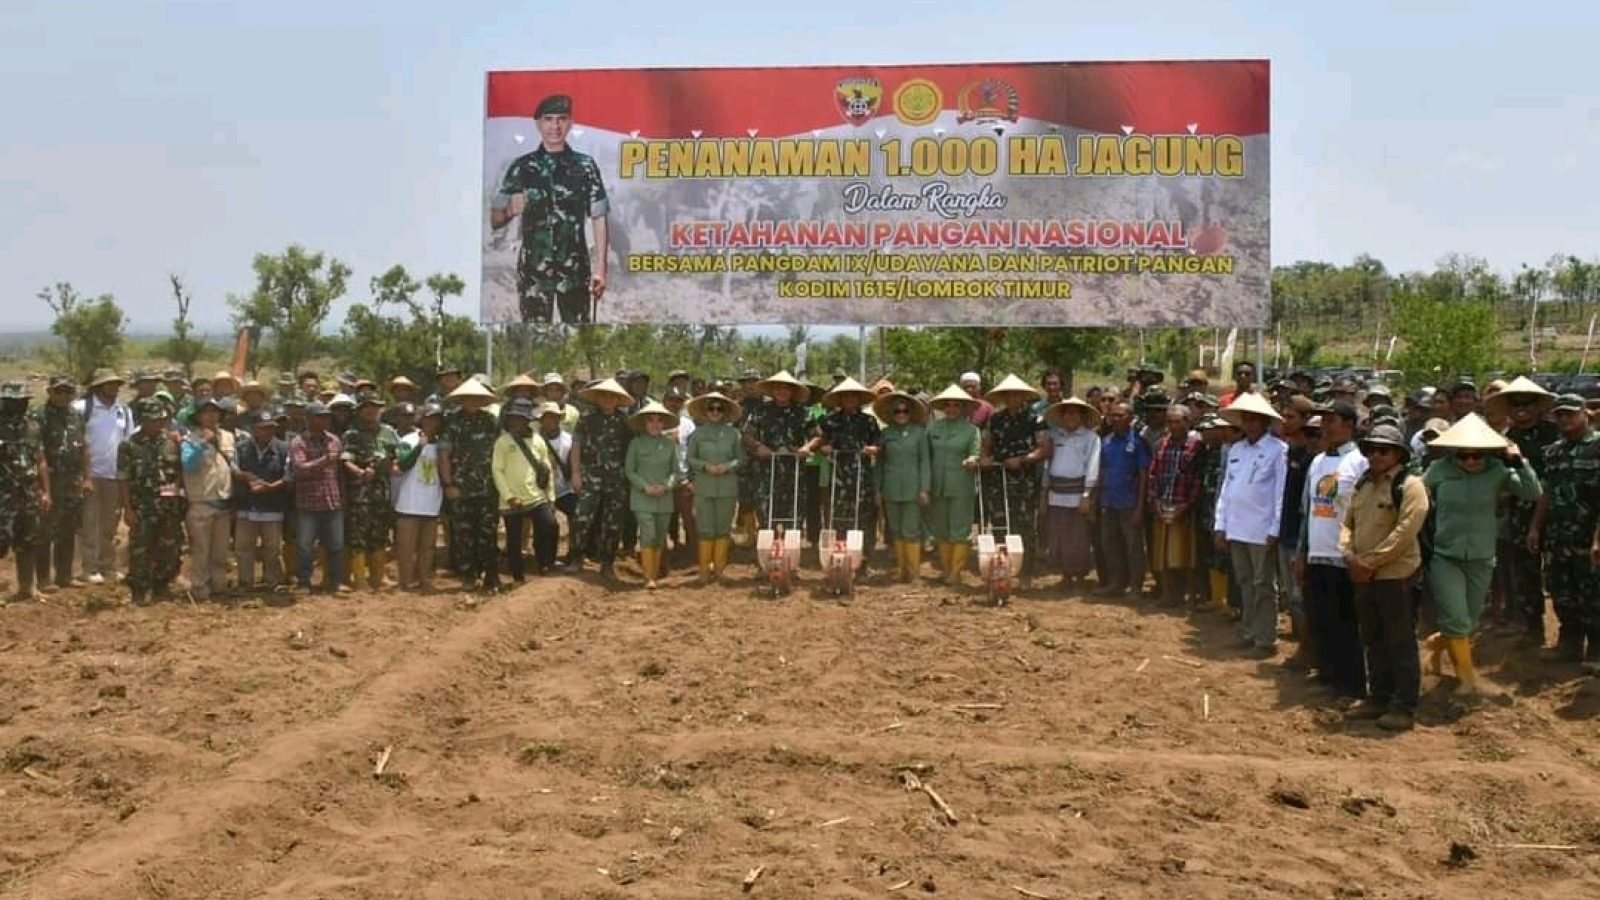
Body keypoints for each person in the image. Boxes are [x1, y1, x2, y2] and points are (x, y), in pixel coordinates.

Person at [1421, 414, 1541, 694]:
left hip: (1482, 556)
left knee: (1469, 623)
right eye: (1464, 456)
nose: (1471, 461)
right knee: (1457, 620)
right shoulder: (1439, 469)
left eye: (1477, 456)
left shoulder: (1499, 471)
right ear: (1454, 453)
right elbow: (1417, 496)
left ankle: (1434, 647)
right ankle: (1468, 679)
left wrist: (1518, 462)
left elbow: (1533, 493)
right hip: (1444, 555)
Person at [490, 93, 611, 325]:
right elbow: (494, 219)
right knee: (534, 344)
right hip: (533, 274)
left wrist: (601, 270)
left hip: (574, 273)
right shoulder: (521, 168)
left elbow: (599, 217)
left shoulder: (585, 167)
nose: (555, 126)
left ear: (570, 123)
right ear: (538, 123)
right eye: (548, 119)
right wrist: (509, 212)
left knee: (579, 342)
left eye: (561, 119)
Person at [1341, 424, 1431, 731]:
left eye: (1384, 450)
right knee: (1373, 638)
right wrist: (1350, 556)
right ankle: (1377, 697)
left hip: (1396, 576)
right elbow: (1347, 524)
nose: (1376, 455)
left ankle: (1403, 706)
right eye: (1372, 450)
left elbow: (1405, 532)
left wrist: (1371, 562)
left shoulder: (1411, 485)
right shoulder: (1363, 484)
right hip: (1364, 576)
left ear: (1398, 454)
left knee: (1401, 641)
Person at [1295, 402, 1369, 701]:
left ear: (1349, 424)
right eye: (1323, 419)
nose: (1325, 425)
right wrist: (1302, 553)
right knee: (1321, 619)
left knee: (1346, 624)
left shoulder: (1360, 461)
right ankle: (1328, 676)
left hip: (1345, 556)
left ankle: (1351, 686)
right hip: (1317, 553)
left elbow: (1364, 513)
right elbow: (1308, 511)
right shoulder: (1317, 462)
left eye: (1332, 420)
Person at [1213, 393, 1289, 658]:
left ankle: (1265, 638)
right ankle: (1248, 631)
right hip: (1237, 526)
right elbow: (1227, 488)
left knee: (1264, 584)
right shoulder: (1237, 449)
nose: (1250, 424)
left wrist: (1275, 528)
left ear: (1265, 422)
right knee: (1244, 581)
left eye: (1255, 419)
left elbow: (1280, 492)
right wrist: (1220, 523)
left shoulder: (1278, 450)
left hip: (1261, 528)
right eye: (1246, 419)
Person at [1528, 393, 1600, 666]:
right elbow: (1547, 492)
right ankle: (1569, 642)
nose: (1565, 419)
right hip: (1558, 535)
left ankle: (1596, 647)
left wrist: (1597, 538)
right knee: (1561, 589)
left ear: (1585, 413)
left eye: (1571, 413)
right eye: (1560, 414)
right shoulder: (1554, 451)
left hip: (1588, 534)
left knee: (1593, 593)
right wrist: (1535, 527)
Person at [1488, 377, 1559, 645]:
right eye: (1515, 404)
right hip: (1518, 514)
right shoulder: (1505, 441)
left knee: (1560, 577)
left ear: (1537, 406)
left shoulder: (1553, 434)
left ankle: (1572, 635)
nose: (1521, 409)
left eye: (1527, 404)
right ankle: (1532, 629)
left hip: (1557, 515)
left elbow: (1549, 483)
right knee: (1524, 573)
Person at [807, 377, 882, 575]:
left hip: (862, 476)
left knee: (864, 517)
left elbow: (879, 445)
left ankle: (864, 561)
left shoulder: (868, 421)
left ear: (858, 399)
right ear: (840, 399)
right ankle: (840, 558)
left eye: (853, 396)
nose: (849, 399)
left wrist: (872, 449)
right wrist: (825, 448)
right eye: (845, 396)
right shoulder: (830, 420)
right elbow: (819, 441)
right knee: (839, 517)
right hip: (838, 476)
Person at [982, 374, 1048, 590]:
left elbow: (1044, 449)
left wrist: (1021, 460)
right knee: (999, 524)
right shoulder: (995, 420)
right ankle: (1002, 572)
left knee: (1025, 526)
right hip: (997, 479)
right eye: (1008, 394)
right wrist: (985, 459)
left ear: (1024, 397)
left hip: (1024, 482)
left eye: (1017, 394)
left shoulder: (1036, 420)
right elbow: (986, 445)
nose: (1012, 398)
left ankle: (1025, 574)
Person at [438, 378, 502, 592]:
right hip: (460, 487)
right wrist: (448, 484)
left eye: (477, 398)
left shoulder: (491, 421)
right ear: (462, 399)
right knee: (463, 534)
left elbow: (501, 452)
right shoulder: (451, 422)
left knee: (488, 533)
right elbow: (444, 455)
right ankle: (467, 576)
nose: (472, 401)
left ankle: (491, 576)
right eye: (469, 398)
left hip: (488, 487)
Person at [119, 398, 184, 604]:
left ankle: (162, 586)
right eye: (152, 420)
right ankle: (139, 589)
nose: (157, 424)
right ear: (143, 421)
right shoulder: (129, 445)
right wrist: (127, 509)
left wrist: (179, 492)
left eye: (160, 420)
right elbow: (124, 479)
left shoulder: (172, 442)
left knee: (169, 546)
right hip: (142, 506)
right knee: (140, 548)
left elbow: (179, 471)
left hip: (169, 505)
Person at [572, 377, 635, 579]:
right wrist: (575, 473)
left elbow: (632, 449)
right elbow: (576, 446)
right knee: (582, 517)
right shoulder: (586, 418)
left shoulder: (625, 421)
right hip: (590, 476)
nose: (608, 399)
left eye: (612, 396)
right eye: (604, 396)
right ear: (597, 398)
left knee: (614, 522)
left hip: (617, 478)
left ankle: (607, 563)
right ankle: (576, 558)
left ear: (617, 399)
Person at [31, 376, 87, 594]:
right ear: (49, 392)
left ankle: (65, 575)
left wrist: (86, 477)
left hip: (72, 480)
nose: (64, 396)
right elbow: (37, 452)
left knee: (68, 529)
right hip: (50, 480)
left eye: (68, 392)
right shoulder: (39, 416)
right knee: (45, 530)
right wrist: (41, 487)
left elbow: (83, 446)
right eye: (59, 392)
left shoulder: (76, 415)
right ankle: (43, 579)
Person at [493, 398, 559, 583]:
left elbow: (546, 469)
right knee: (514, 540)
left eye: (521, 418)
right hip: (512, 499)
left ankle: (545, 563)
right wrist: (508, 496)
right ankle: (518, 576)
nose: (517, 422)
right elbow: (497, 470)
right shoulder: (503, 442)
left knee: (549, 525)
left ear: (528, 420)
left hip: (536, 496)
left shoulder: (538, 440)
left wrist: (551, 497)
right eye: (514, 418)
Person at [743, 371, 814, 541]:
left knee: (795, 517)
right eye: (778, 388)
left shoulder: (803, 412)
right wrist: (758, 446)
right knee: (766, 516)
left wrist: (807, 447)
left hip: (795, 472)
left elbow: (817, 436)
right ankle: (767, 557)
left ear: (791, 391)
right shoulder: (760, 411)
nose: (781, 392)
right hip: (768, 471)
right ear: (772, 391)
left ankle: (791, 556)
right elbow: (746, 435)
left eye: (785, 388)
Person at [79, 368, 133, 585]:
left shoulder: (124, 411)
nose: (114, 388)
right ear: (98, 387)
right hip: (91, 474)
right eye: (109, 384)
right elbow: (79, 443)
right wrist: (85, 475)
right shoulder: (83, 409)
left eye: (116, 385)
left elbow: (127, 442)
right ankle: (89, 568)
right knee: (89, 523)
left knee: (110, 524)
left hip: (114, 475)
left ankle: (108, 566)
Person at [341, 393, 401, 590]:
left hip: (382, 490)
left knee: (380, 534)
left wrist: (390, 465)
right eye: (367, 407)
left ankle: (379, 577)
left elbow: (397, 455)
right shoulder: (352, 434)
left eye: (375, 407)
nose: (372, 410)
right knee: (358, 535)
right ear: (359, 410)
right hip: (360, 492)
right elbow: (345, 460)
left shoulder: (389, 432)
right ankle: (359, 579)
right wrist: (360, 472)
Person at [1145, 404, 1203, 605]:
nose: (1173, 426)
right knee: (1163, 555)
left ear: (1188, 422)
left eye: (1178, 422)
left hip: (1185, 508)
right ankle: (1168, 595)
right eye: (1170, 422)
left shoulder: (1196, 445)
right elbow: (1153, 474)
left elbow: (1197, 479)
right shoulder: (1162, 444)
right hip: (1163, 504)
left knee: (1185, 555)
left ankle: (1187, 596)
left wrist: (1187, 506)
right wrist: (1155, 501)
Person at [1041, 397, 1100, 591]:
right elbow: (1048, 463)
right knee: (1059, 535)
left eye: (1075, 413)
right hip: (1057, 492)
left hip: (1078, 492)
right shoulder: (1056, 436)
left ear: (1082, 416)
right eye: (1067, 413)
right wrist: (1046, 488)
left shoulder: (1091, 438)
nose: (1070, 417)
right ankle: (1066, 574)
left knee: (1079, 537)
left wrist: (1087, 494)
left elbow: (1093, 466)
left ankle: (1080, 575)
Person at [180, 397, 235, 601]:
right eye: (206, 412)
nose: (211, 416)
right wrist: (202, 442)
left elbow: (232, 464)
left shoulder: (228, 437)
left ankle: (218, 585)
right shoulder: (189, 439)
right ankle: (200, 588)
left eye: (215, 412)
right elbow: (189, 465)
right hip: (201, 501)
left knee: (220, 551)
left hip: (223, 500)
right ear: (198, 416)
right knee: (201, 550)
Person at [926, 385, 982, 584]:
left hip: (961, 485)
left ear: (964, 408)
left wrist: (973, 459)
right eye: (947, 405)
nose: (951, 409)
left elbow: (975, 452)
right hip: (937, 485)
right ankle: (946, 569)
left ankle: (956, 573)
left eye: (956, 405)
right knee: (940, 529)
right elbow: (926, 456)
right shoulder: (934, 428)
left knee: (959, 530)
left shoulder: (971, 430)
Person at [289, 403, 348, 594]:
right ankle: (304, 582)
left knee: (336, 544)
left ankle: (335, 581)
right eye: (319, 417)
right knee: (305, 545)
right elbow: (299, 469)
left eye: (326, 417)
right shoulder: (298, 442)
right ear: (308, 419)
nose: (324, 420)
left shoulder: (334, 440)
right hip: (308, 501)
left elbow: (339, 472)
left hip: (332, 499)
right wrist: (324, 461)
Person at [0, 382, 50, 603]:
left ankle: (27, 589)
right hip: (3, 494)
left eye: (22, 401)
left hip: (28, 493)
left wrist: (46, 491)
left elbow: (40, 460)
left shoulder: (33, 427)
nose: (18, 405)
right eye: (13, 402)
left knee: (28, 541)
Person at [687, 391, 744, 583]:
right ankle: (704, 570)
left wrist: (728, 466)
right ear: (705, 411)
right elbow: (690, 458)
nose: (715, 411)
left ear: (725, 411)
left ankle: (719, 570)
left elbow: (741, 458)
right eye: (711, 408)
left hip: (727, 487)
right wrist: (705, 466)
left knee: (723, 528)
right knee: (705, 528)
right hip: (704, 485)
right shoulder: (698, 434)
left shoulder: (734, 434)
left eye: (719, 408)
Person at [874, 390, 931, 583]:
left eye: (904, 411)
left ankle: (914, 573)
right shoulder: (886, 434)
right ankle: (902, 570)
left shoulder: (919, 433)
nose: (901, 414)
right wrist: (877, 489)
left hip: (913, 488)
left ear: (911, 412)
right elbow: (880, 464)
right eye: (897, 411)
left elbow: (925, 462)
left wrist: (924, 488)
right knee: (896, 530)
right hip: (890, 488)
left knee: (911, 530)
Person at [1097, 401, 1152, 597]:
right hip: (1108, 501)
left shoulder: (1137, 442)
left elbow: (1144, 474)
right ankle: (1115, 583)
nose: (1116, 419)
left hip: (1129, 503)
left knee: (1133, 547)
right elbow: (1101, 471)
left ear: (1130, 418)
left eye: (1121, 415)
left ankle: (1136, 585)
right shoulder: (1106, 441)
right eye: (1113, 415)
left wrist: (1140, 507)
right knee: (1110, 545)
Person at [623, 401, 679, 589]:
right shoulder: (636, 444)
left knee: (660, 535)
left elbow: (676, 472)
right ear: (644, 424)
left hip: (664, 498)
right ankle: (649, 578)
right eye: (650, 420)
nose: (655, 424)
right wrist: (645, 487)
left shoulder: (670, 445)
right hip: (642, 498)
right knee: (648, 534)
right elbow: (630, 470)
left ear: (664, 424)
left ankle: (655, 572)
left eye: (658, 421)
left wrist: (666, 486)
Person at [233, 410, 289, 592]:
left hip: (272, 505)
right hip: (246, 505)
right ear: (254, 430)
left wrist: (272, 487)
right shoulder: (241, 448)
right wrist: (247, 478)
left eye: (271, 428)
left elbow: (289, 475)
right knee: (244, 547)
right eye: (263, 428)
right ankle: (245, 581)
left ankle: (272, 581)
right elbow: (233, 470)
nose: (267, 432)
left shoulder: (283, 448)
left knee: (272, 548)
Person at [393, 402, 444, 591]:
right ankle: (405, 582)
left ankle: (424, 580)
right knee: (406, 547)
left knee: (427, 547)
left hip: (431, 503)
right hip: (409, 503)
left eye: (437, 418)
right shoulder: (409, 439)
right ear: (421, 419)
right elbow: (404, 464)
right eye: (430, 417)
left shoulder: (442, 443)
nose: (433, 422)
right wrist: (419, 448)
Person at [537, 402, 576, 568]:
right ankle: (546, 559)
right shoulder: (533, 439)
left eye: (553, 417)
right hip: (542, 490)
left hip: (565, 488)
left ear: (559, 418)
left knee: (576, 518)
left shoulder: (569, 440)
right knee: (548, 524)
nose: (550, 421)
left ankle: (574, 554)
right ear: (541, 420)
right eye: (546, 417)